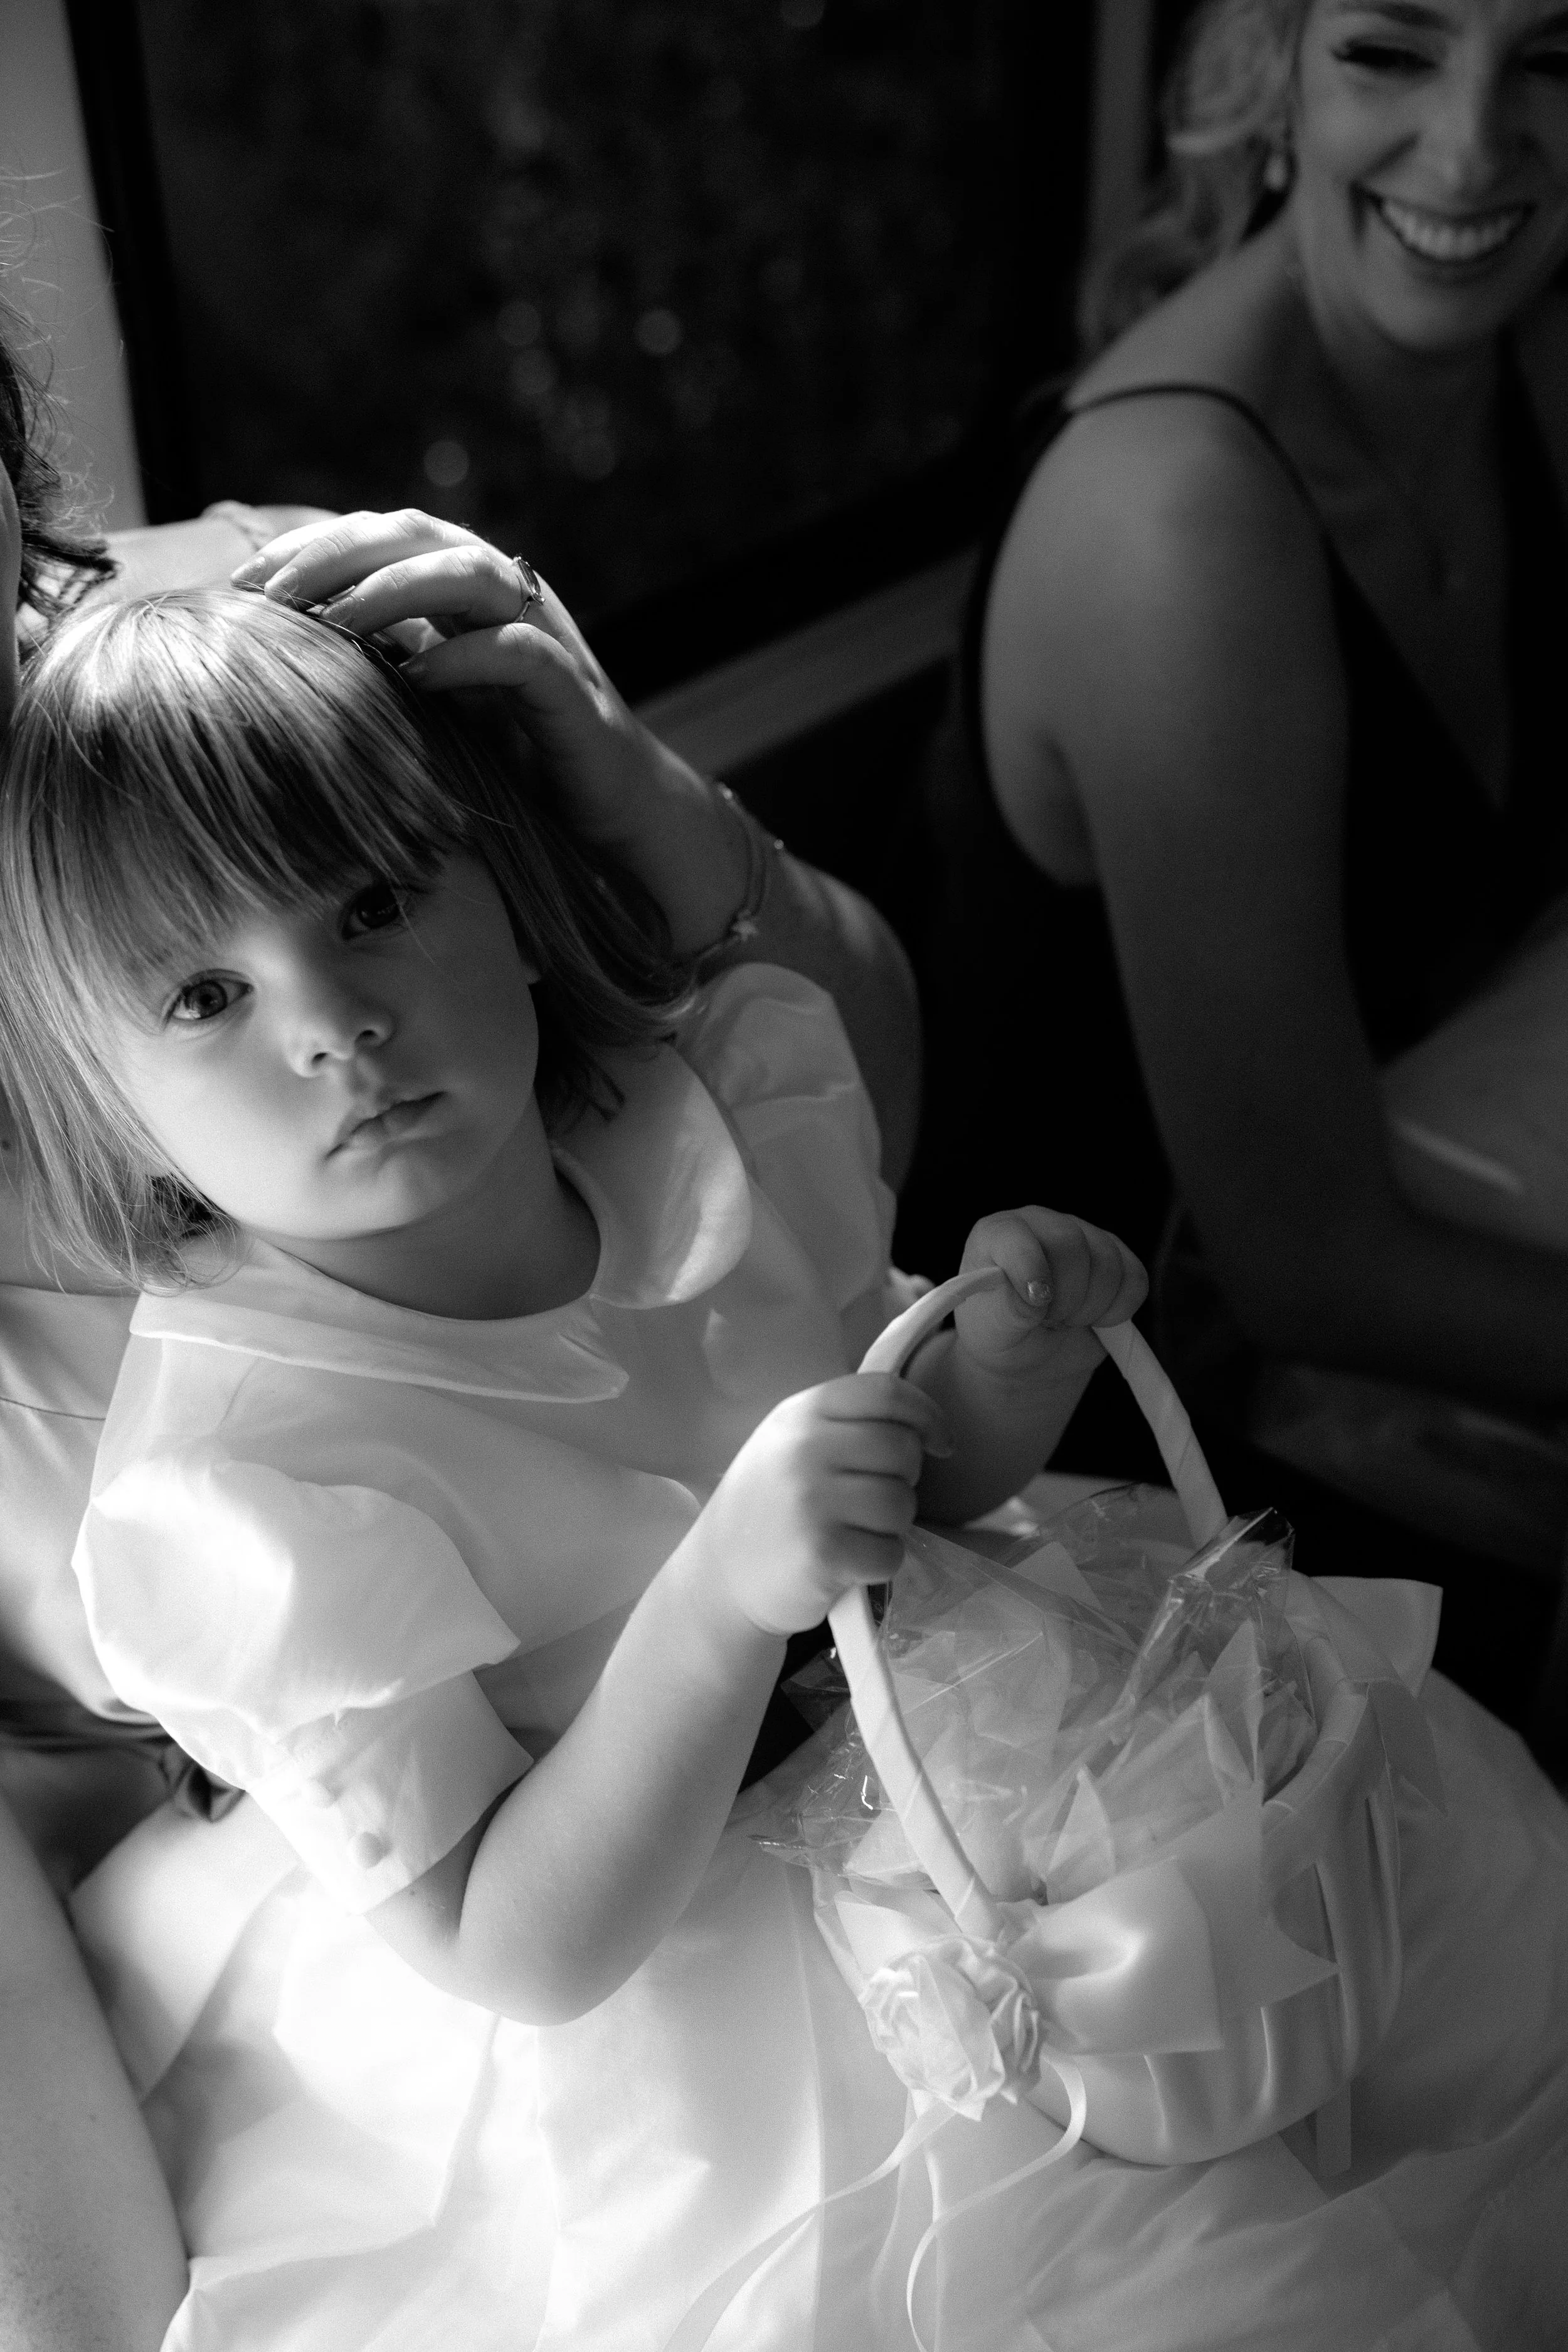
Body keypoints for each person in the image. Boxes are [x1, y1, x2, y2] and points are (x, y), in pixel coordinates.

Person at [0, 578, 1153, 2348]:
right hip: (657, 1989)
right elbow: (510, 1944)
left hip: (945, 1767)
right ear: (114, 1111)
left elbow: (906, 1500)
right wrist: (716, 1598)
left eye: (374, 903)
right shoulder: (246, 1486)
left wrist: (1004, 1361)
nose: (331, 1022)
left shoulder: (718, 1107)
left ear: (510, 899)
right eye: (208, 995)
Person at [904, 0, 1568, 1728]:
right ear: (1274, 66)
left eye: (1557, 58)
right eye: (1388, 52)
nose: (1472, 146)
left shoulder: (1528, 363)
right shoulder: (1174, 513)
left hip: (1399, 1277)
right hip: (1095, 1462)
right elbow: (1302, 1257)